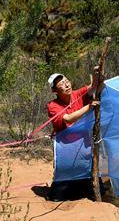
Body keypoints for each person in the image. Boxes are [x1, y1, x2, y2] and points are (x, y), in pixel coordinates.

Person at [45, 67, 105, 201]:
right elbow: (68, 118)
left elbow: (94, 86)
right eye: (61, 84)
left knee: (90, 175)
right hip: (66, 150)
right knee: (61, 189)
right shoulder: (52, 105)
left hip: (84, 146)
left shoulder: (78, 94)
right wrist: (89, 107)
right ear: (55, 91)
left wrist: (97, 74)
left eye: (66, 81)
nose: (66, 85)